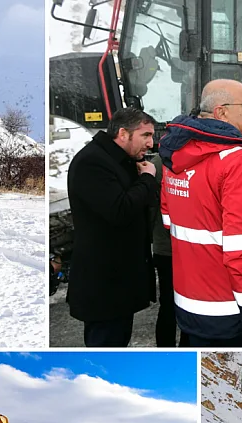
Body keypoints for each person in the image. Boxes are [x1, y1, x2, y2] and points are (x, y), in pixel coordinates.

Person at [158, 79, 242, 347]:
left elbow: (169, 221)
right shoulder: (237, 161)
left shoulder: (175, 155)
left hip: (190, 304)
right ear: (221, 112)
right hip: (231, 311)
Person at [67, 107, 158, 346]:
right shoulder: (93, 163)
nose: (151, 143)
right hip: (103, 287)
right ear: (123, 133)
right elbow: (120, 210)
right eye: (145, 135)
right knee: (105, 346)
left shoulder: (118, 160)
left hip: (117, 284)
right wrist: (148, 179)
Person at [151, 154, 189, 347]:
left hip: (166, 248)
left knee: (168, 304)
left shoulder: (158, 162)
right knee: (177, 305)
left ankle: (168, 347)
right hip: (175, 249)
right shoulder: (162, 163)